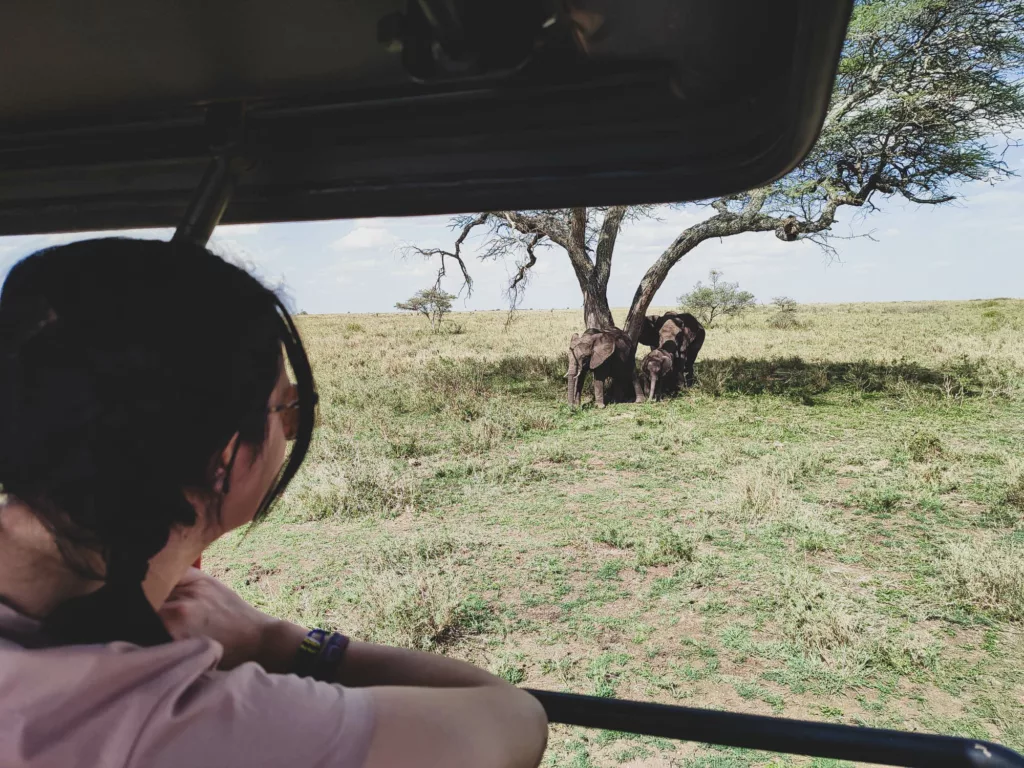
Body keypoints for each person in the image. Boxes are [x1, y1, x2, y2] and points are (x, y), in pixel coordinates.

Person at [0, 238, 548, 768]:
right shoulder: (155, 722)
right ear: (227, 456)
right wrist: (278, 641)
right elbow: (513, 716)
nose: (290, 428)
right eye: (287, 407)